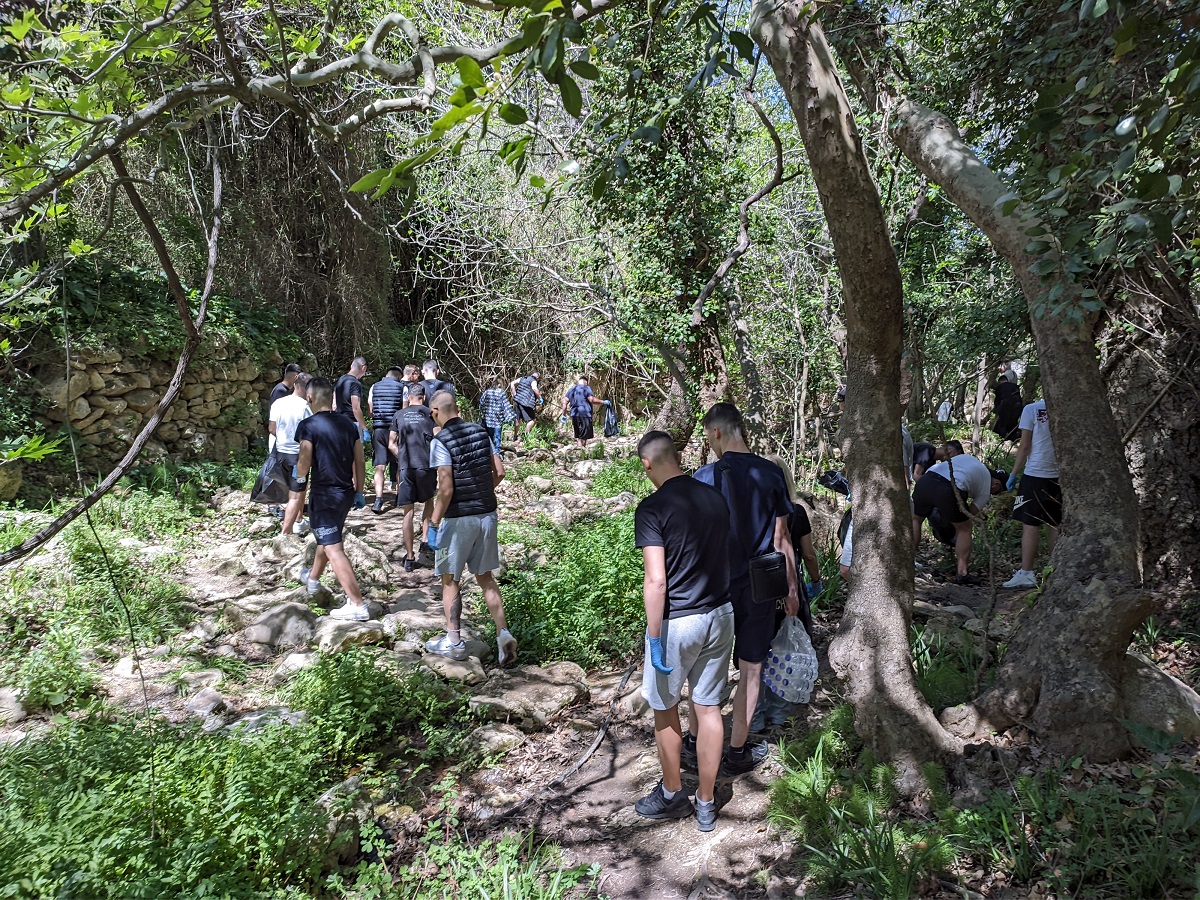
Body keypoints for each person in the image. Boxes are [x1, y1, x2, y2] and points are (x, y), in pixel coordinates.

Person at [689, 403, 800, 776]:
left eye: (708, 437)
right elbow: (781, 538)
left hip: (713, 586)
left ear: (716, 432)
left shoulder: (703, 477)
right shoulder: (771, 473)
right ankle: (737, 751)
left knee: (705, 667)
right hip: (761, 583)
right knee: (751, 667)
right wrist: (792, 588)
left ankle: (694, 742)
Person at [633, 431, 735, 831]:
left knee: (665, 707)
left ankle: (674, 794)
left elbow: (656, 581)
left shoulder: (652, 508)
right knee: (708, 708)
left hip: (679, 622)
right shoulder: (714, 497)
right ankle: (706, 802)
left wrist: (654, 635)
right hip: (720, 613)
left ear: (647, 465)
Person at [423, 391, 518, 666]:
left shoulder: (441, 440)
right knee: (485, 577)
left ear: (436, 412)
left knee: (449, 579)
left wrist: (433, 522)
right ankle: (503, 634)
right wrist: (481, 493)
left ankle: (453, 641)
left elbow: (446, 488)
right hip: (487, 514)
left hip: (456, 520)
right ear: (457, 407)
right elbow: (499, 472)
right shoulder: (481, 433)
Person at [752, 456, 823, 732]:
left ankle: (755, 718)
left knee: (756, 653)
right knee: (786, 649)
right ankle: (778, 716)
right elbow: (808, 554)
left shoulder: (753, 514)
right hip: (788, 588)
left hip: (757, 588)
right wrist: (815, 580)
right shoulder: (796, 512)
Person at [294, 376, 369, 621]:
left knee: (333, 546)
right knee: (327, 538)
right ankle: (313, 580)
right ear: (332, 398)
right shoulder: (349, 424)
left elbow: (304, 460)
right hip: (345, 493)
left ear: (310, 398)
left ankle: (357, 604)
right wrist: (359, 491)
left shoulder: (308, 425)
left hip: (324, 495)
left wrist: (299, 478)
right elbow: (359, 460)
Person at [912, 450, 1003, 583]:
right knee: (964, 528)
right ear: (997, 485)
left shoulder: (968, 459)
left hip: (926, 480)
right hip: (948, 487)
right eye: (996, 492)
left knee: (916, 519)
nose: (993, 494)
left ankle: (908, 561)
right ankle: (962, 572)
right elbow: (968, 514)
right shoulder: (986, 488)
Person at [1002, 397, 1060, 589]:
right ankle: (1055, 570)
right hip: (1058, 475)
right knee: (1055, 523)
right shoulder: (1066, 405)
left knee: (1030, 523)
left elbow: (1025, 445)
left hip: (1035, 473)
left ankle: (1027, 572)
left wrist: (1013, 473)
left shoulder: (1032, 409)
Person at [389, 383, 436, 572]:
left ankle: (409, 557)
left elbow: (391, 442)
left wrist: (401, 457)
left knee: (407, 511)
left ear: (409, 397)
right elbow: (438, 437)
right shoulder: (430, 413)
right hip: (426, 465)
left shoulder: (399, 415)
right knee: (429, 501)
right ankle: (425, 540)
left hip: (406, 467)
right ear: (423, 398)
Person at [268, 371, 312, 535]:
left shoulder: (278, 403)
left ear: (295, 384)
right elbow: (309, 434)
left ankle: (299, 520)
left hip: (280, 453)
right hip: (298, 458)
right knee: (295, 495)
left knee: (297, 491)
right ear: (309, 391)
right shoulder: (306, 408)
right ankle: (285, 534)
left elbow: (271, 428)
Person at [367, 367, 406, 514]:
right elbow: (404, 410)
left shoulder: (374, 387)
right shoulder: (403, 387)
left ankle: (378, 499)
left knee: (380, 466)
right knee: (400, 462)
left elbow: (370, 411)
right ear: (399, 376)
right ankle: (399, 496)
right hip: (395, 430)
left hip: (378, 429)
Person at [562, 375, 606, 448]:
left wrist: (563, 415)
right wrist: (603, 402)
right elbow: (591, 400)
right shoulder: (586, 388)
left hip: (574, 415)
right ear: (586, 382)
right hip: (584, 415)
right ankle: (581, 452)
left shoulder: (571, 389)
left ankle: (580, 451)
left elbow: (565, 403)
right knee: (583, 436)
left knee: (579, 435)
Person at [334, 357, 370, 445]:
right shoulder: (355, 383)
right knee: (356, 455)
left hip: (339, 422)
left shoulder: (339, 381)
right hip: (352, 423)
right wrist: (364, 428)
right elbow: (356, 408)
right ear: (363, 368)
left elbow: (334, 405)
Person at [479, 377, 516, 454]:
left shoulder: (487, 392)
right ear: (500, 384)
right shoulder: (501, 393)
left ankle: (488, 453)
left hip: (488, 420)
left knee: (488, 438)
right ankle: (497, 454)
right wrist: (512, 417)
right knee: (497, 438)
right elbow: (506, 406)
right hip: (497, 420)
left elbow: (481, 404)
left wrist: (484, 413)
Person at [510, 370, 542, 441]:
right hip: (526, 403)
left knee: (518, 420)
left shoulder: (522, 378)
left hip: (517, 401)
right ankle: (525, 436)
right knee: (532, 420)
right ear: (537, 377)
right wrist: (540, 398)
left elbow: (512, 383)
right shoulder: (534, 381)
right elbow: (534, 388)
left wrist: (514, 393)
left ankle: (515, 436)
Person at [992, 369, 1023, 442]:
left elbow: (997, 401)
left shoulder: (1000, 387)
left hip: (1005, 408)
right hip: (1016, 408)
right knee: (1012, 424)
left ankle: (1002, 439)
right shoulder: (1015, 387)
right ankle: (1012, 438)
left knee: (1002, 425)